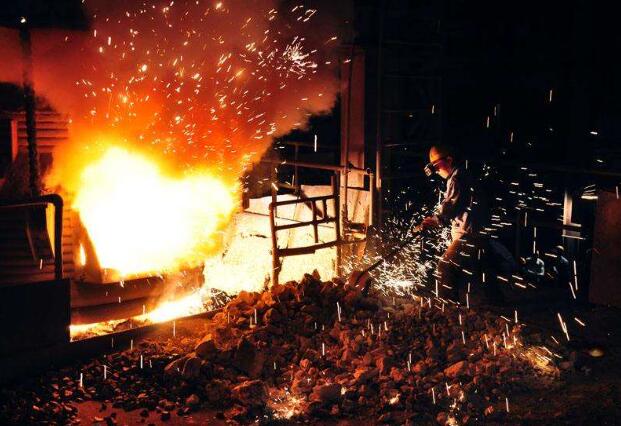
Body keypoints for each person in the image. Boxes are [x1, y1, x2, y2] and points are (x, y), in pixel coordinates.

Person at [420, 145, 493, 303]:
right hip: (478, 231)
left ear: (449, 160)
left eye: (437, 165)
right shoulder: (461, 175)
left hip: (469, 234)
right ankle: (496, 300)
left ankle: (448, 307)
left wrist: (435, 220)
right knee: (483, 270)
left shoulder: (457, 178)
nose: (436, 170)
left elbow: (451, 206)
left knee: (445, 266)